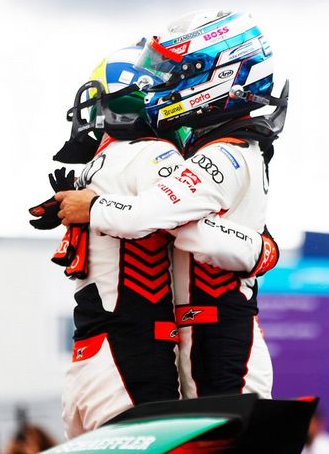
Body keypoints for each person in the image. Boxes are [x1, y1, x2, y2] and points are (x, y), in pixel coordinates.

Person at [30, 44, 278, 438]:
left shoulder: (147, 156)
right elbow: (167, 216)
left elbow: (166, 218)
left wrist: (261, 247)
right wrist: (262, 247)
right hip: (134, 353)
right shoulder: (145, 155)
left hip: (138, 355)